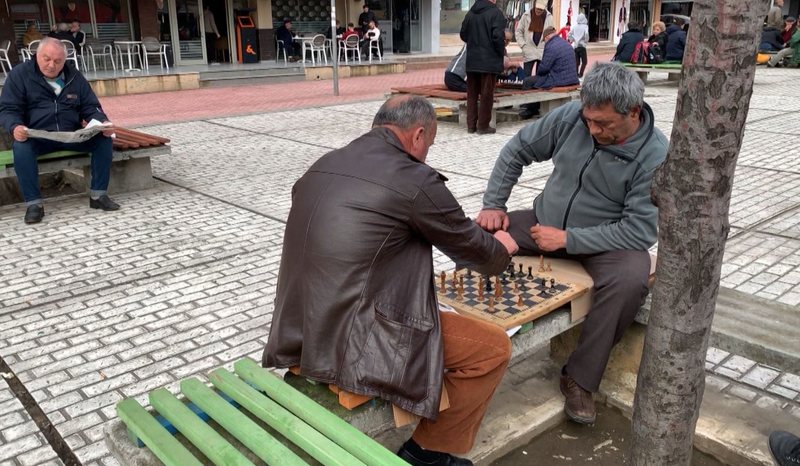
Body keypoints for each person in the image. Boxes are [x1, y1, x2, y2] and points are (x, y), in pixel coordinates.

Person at [262, 95, 518, 466]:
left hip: (300, 331)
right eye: (429, 144)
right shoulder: (413, 179)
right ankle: (426, 453)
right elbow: (470, 246)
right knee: (493, 349)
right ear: (417, 135)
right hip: (355, 342)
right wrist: (502, 250)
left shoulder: (323, 164)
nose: (427, 153)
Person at [476, 62, 667, 424]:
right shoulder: (572, 118)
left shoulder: (655, 154)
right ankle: (474, 344)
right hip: (543, 221)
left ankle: (579, 378)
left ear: (633, 113)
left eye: (604, 124)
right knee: (476, 237)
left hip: (608, 242)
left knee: (629, 282)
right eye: (588, 120)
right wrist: (493, 205)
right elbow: (517, 149)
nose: (592, 130)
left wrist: (569, 239)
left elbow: (640, 230)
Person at [0, 38, 119, 224]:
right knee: (21, 148)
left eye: (57, 61)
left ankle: (98, 196)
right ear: (36, 56)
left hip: (70, 134)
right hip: (36, 136)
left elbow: (91, 106)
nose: (51, 65)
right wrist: (15, 127)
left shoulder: (74, 76)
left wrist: (103, 122)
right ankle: (34, 205)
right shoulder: (19, 75)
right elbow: (8, 109)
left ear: (65, 59)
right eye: (46, 59)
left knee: (103, 140)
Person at [460, 0, 506, 135]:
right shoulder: (496, 13)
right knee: (487, 95)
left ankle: (471, 125)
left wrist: (474, 42)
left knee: (472, 94)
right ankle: (483, 126)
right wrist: (500, 52)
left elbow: (463, 34)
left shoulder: (470, 13)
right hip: (489, 61)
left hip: (472, 60)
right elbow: (498, 37)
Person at [518, 26, 578, 119]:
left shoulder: (551, 46)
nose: (544, 42)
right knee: (537, 81)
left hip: (559, 81)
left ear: (546, 37)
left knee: (528, 81)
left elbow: (544, 68)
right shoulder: (565, 43)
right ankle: (534, 107)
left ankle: (529, 110)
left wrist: (538, 74)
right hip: (572, 79)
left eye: (544, 41)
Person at [515, 0, 554, 77]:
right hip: (529, 50)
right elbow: (519, 31)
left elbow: (551, 34)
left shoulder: (549, 17)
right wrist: (523, 45)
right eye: (537, 8)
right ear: (534, 5)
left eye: (541, 9)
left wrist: (548, 48)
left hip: (542, 51)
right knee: (526, 77)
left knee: (540, 78)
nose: (539, 11)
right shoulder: (526, 15)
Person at [568, 13, 589, 78]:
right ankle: (581, 74)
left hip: (576, 47)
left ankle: (576, 74)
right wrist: (585, 41)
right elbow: (586, 34)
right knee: (584, 62)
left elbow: (569, 35)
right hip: (582, 47)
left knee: (576, 62)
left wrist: (573, 40)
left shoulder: (574, 26)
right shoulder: (585, 26)